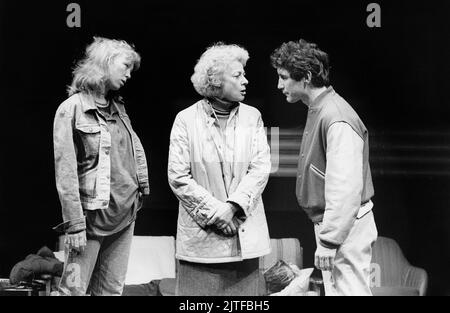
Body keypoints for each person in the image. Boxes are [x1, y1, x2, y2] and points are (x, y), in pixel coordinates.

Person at [270, 39, 378, 296]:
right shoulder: (321, 109)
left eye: (284, 77)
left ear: (306, 77)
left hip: (346, 226)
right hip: (338, 225)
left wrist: (329, 240)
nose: (279, 84)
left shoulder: (335, 115)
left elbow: (346, 187)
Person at [168, 43, 272, 296]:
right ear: (214, 81)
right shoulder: (186, 119)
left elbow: (260, 168)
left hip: (244, 239)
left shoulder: (253, 116)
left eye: (244, 74)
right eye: (237, 76)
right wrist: (217, 214)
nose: (245, 81)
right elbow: (178, 177)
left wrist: (233, 207)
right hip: (202, 244)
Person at [53, 37, 149, 296]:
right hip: (90, 220)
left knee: (111, 291)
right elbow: (65, 172)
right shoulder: (71, 109)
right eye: (125, 66)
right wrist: (74, 224)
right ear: (106, 63)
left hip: (125, 216)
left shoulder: (119, 107)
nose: (129, 74)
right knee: (72, 291)